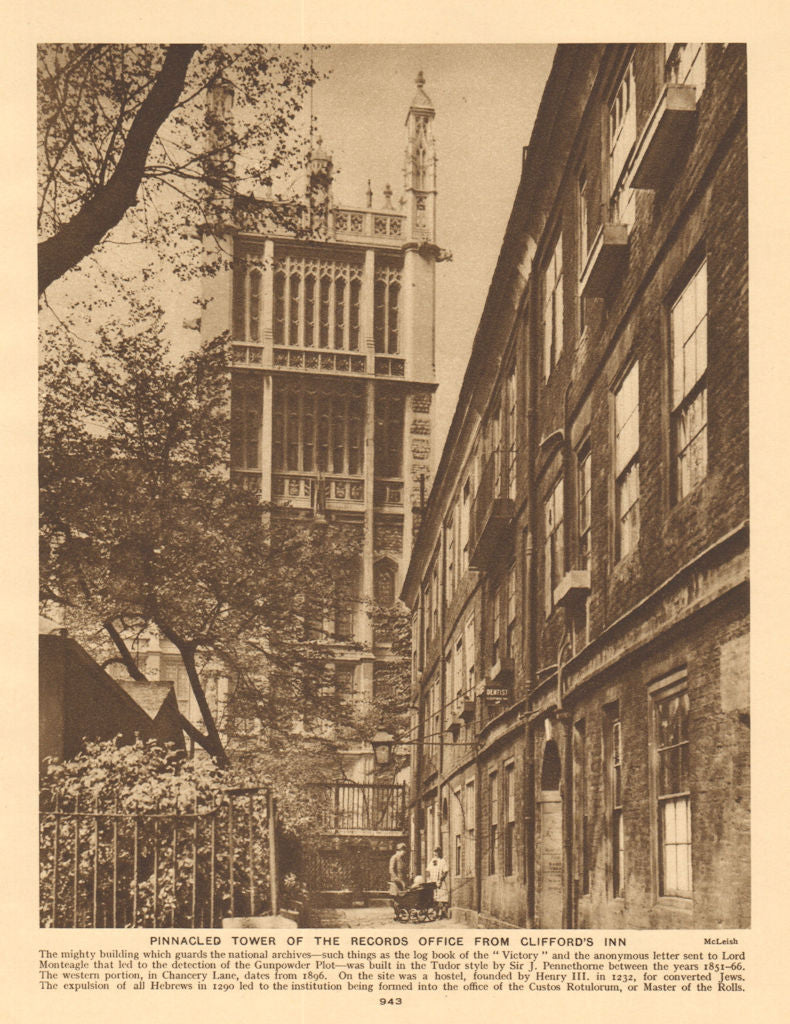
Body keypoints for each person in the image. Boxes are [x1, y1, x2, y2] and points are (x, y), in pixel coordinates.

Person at [425, 846, 449, 918]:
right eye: (434, 852)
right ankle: (436, 913)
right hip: (432, 882)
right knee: (434, 897)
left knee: (442, 897)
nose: (435, 853)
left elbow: (445, 872)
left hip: (440, 882)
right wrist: (428, 879)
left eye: (437, 852)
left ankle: (441, 913)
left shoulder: (442, 861)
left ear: (440, 852)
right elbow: (427, 871)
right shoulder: (432, 861)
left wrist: (440, 880)